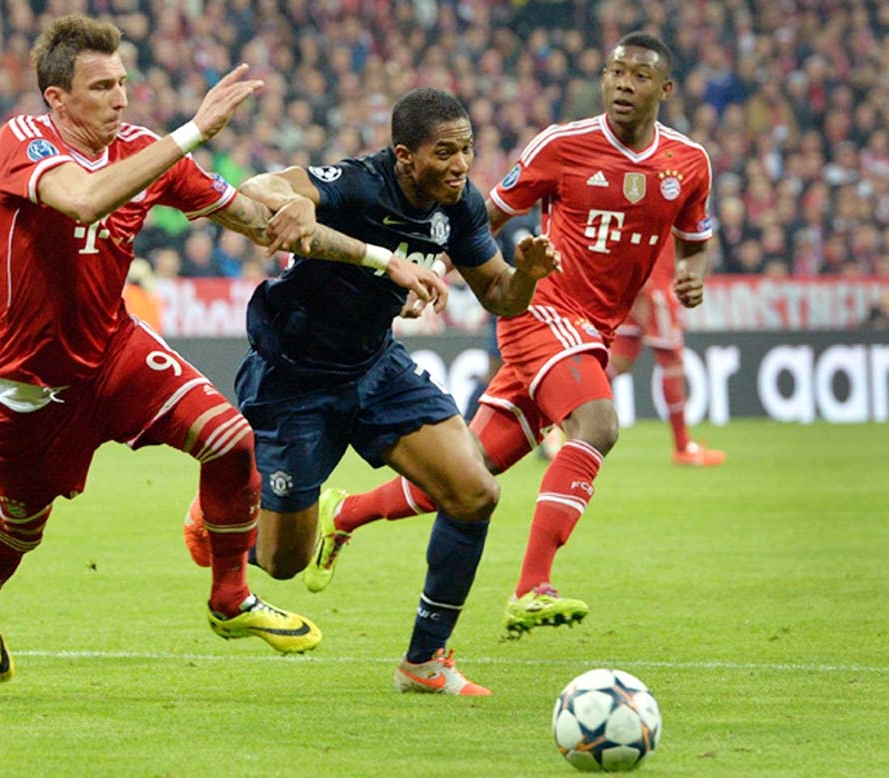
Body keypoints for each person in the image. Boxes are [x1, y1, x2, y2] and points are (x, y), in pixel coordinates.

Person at [0, 13, 445, 683]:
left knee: (231, 441)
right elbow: (84, 201)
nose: (120, 99)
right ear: (57, 98)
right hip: (32, 386)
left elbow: (259, 221)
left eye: (123, 83)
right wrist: (195, 131)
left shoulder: (145, 150)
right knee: (18, 531)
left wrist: (382, 259)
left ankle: (230, 597)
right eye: (101, 88)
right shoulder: (23, 140)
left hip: (114, 352)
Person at [299, 31, 714, 642]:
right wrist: (433, 273)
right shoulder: (562, 145)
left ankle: (347, 513)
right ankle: (531, 588)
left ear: (665, 89)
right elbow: (480, 219)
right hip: (541, 308)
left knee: (469, 475)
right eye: (615, 72)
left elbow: (695, 237)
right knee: (598, 425)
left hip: (594, 329)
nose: (624, 84)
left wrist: (691, 273)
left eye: (639, 76)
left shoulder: (689, 162)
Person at [182, 87, 558, 695]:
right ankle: (222, 521)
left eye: (467, 149)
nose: (461, 165)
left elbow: (498, 294)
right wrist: (292, 201)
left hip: (375, 368)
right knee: (283, 563)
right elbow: (260, 188)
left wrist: (529, 279)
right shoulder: (359, 184)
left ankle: (424, 662)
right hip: (293, 381)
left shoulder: (460, 205)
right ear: (405, 156)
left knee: (474, 493)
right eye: (445, 152)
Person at [607, 236, 725, 466]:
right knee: (672, 363)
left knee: (620, 361)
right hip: (654, 286)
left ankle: (557, 422)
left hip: (630, 284)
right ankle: (683, 447)